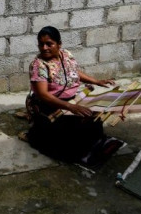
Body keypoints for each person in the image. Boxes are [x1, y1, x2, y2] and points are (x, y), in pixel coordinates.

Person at [24, 26, 125, 166]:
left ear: (59, 44)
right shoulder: (38, 65)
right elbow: (43, 94)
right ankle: (78, 152)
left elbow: (74, 72)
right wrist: (70, 107)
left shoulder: (66, 55)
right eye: (41, 44)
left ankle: (95, 145)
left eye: (49, 44)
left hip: (72, 100)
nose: (44, 47)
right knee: (73, 130)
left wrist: (96, 81)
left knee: (94, 118)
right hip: (49, 104)